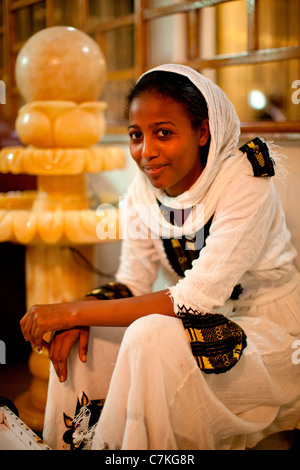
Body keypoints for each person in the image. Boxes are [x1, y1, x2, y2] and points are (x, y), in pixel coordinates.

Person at [20, 64, 300, 450]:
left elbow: (195, 300)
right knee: (84, 339)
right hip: (202, 327)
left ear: (202, 132)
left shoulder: (244, 181)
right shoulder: (143, 192)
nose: (146, 152)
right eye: (136, 136)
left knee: (148, 334)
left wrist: (71, 310)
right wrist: (79, 317)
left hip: (274, 333)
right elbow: (134, 280)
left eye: (163, 133)